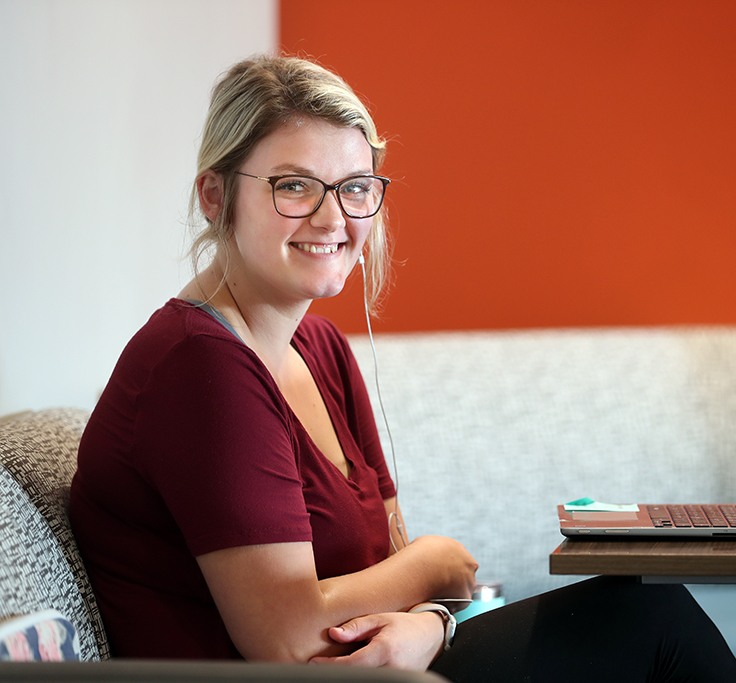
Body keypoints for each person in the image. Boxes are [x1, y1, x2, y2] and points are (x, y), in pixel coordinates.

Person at [70, 54, 736, 681]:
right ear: (215, 196)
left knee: (649, 608)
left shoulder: (321, 348)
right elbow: (286, 634)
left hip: (384, 668)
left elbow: (387, 567)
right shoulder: (198, 364)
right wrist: (433, 565)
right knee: (654, 618)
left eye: (356, 188)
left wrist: (434, 623)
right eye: (294, 185)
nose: (334, 218)